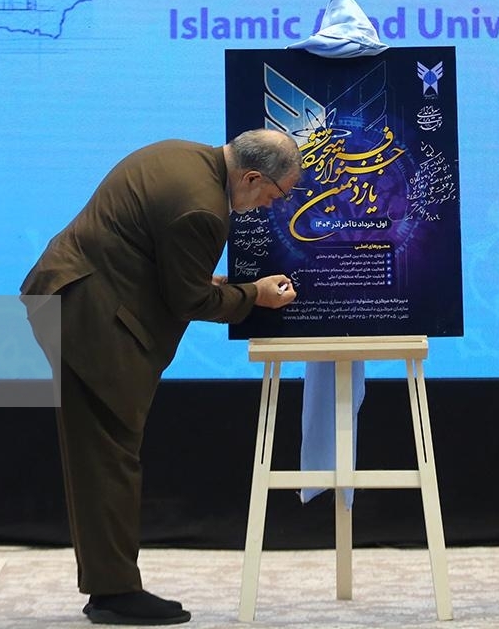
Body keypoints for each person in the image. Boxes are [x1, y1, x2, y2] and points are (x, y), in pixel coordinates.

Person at [20, 130, 300, 626]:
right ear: (252, 177)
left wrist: (213, 281)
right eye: (277, 195)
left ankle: (108, 585)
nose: (271, 207)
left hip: (76, 296)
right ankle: (114, 593)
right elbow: (188, 300)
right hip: (91, 317)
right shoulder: (203, 209)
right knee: (108, 458)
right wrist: (253, 295)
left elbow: (152, 252)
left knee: (102, 456)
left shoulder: (180, 154)